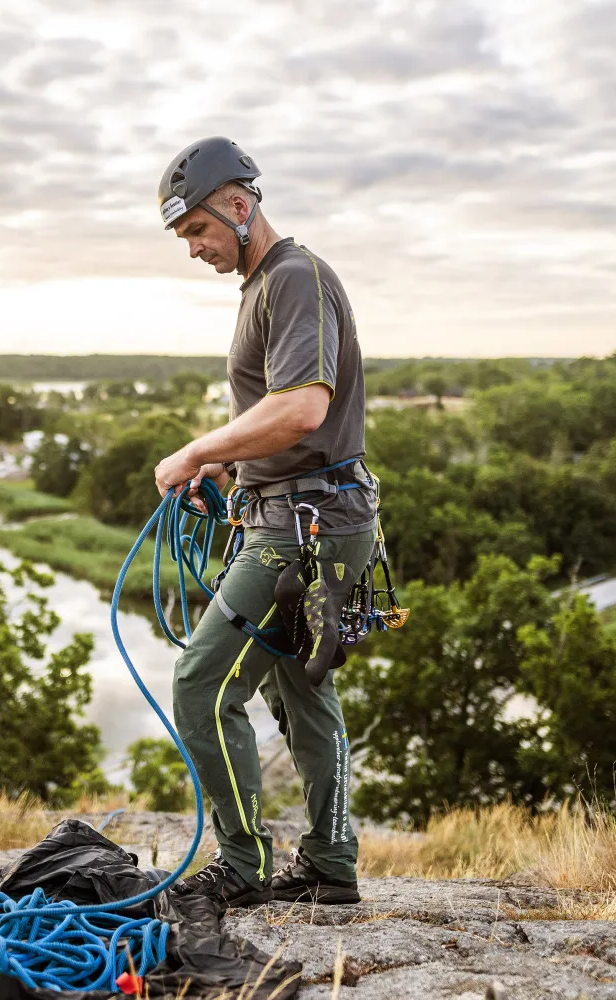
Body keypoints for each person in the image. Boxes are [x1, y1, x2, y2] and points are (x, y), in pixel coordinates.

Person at [151, 136, 377, 907]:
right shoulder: (267, 286)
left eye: (198, 232)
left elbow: (303, 408)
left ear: (240, 207)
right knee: (298, 693)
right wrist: (228, 464)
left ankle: (242, 864)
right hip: (298, 512)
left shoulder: (294, 276)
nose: (194, 250)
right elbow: (280, 422)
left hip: (302, 525)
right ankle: (329, 864)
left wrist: (195, 449)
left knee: (201, 684)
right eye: (187, 237)